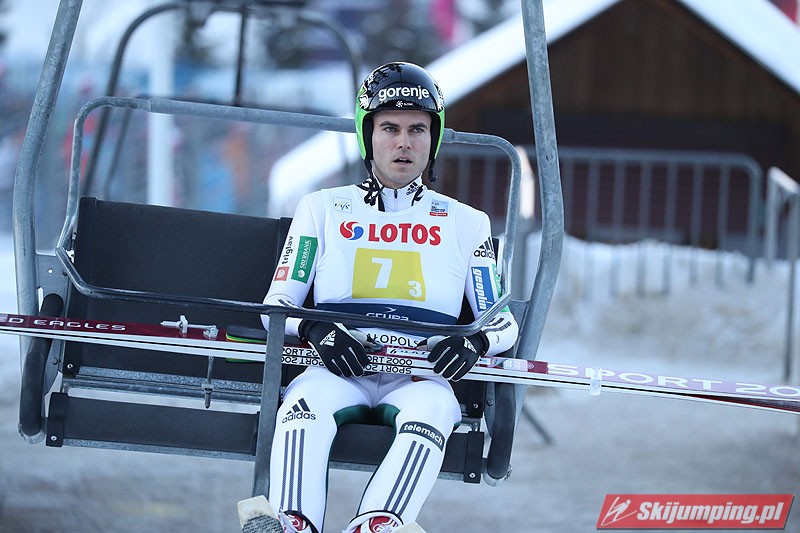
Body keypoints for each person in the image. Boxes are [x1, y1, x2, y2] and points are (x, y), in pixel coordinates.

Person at [238, 62, 519, 533]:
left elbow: (501, 321)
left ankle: (379, 526)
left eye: (417, 130)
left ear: (434, 139)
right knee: (302, 408)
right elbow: (277, 305)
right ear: (367, 135)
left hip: (419, 377)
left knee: (435, 409)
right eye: (390, 128)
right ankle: (291, 524)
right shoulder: (323, 209)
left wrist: (476, 342)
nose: (404, 143)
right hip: (336, 370)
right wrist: (315, 328)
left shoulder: (466, 223)